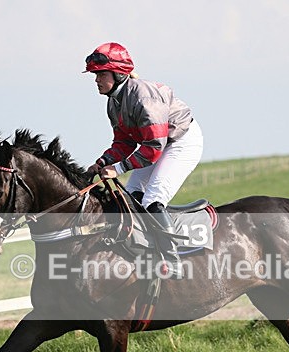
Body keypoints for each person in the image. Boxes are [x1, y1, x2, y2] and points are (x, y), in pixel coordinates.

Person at [84, 42, 203, 278]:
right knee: (132, 197)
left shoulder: (143, 97)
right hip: (157, 144)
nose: (96, 80)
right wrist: (103, 161)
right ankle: (146, 251)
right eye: (95, 75)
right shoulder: (114, 102)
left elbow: (153, 147)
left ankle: (173, 260)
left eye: (101, 74)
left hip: (180, 142)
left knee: (153, 199)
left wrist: (118, 168)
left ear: (118, 74)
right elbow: (124, 142)